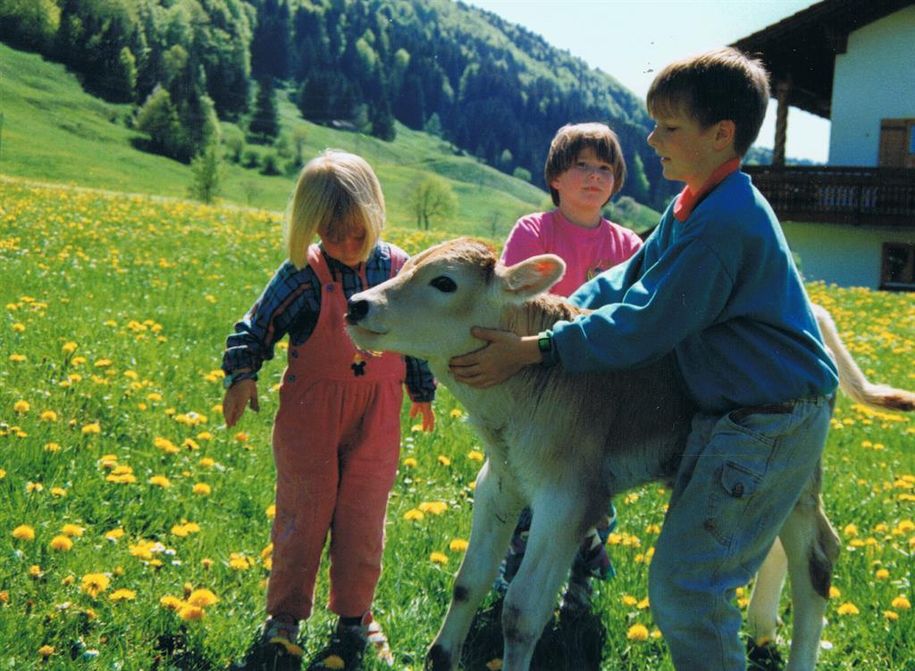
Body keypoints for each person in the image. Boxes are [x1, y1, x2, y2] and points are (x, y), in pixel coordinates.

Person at [449, 47, 838, 670]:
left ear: (721, 135)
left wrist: (541, 348)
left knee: (686, 588)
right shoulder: (694, 204)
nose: (651, 137)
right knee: (686, 581)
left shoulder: (723, 223)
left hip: (773, 417)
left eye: (668, 127)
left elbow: (648, 321)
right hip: (737, 412)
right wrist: (563, 312)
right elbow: (630, 276)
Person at [223, 149, 436, 671]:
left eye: (354, 231)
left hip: (378, 415)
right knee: (303, 513)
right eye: (328, 231)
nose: (341, 243)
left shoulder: (399, 269)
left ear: (373, 213)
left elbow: (416, 337)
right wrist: (242, 375)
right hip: (309, 419)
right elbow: (257, 324)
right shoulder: (303, 273)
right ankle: (284, 619)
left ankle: (355, 618)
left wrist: (422, 392)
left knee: (364, 516)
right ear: (311, 226)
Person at [495, 122, 643, 613]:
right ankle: (515, 579)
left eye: (604, 168)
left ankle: (578, 586)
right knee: (530, 488)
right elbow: (512, 305)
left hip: (598, 389)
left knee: (593, 487)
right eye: (581, 165)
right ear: (556, 176)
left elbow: (638, 315)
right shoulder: (533, 232)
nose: (593, 177)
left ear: (617, 180)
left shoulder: (628, 246)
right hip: (537, 385)